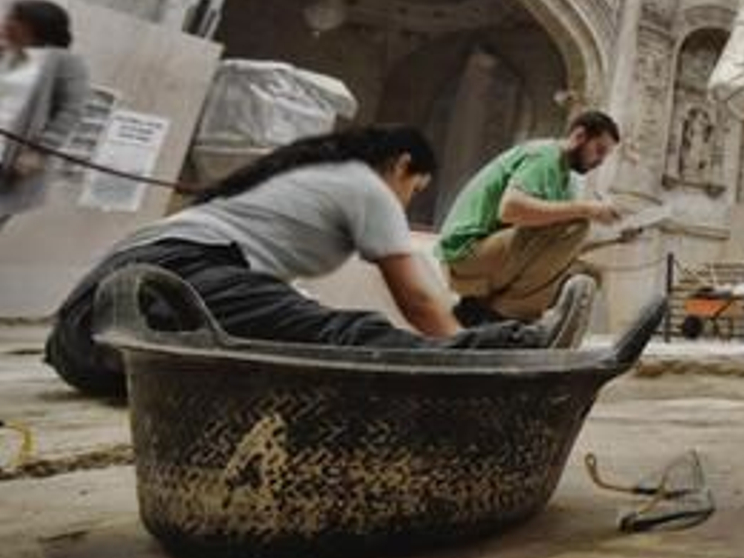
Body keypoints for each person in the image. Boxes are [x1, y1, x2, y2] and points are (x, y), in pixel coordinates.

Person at [45, 126, 565, 399]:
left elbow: (262, 299)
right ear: (401, 165)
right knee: (344, 332)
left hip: (85, 347)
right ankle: (502, 348)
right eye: (414, 188)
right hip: (154, 289)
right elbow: (419, 300)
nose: (405, 201)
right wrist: (468, 351)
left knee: (291, 337)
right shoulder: (362, 182)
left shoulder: (272, 188)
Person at [437, 111, 625, 342]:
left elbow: (556, 246)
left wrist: (617, 238)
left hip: (486, 257)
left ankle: (478, 312)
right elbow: (511, 209)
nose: (600, 161)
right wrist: (586, 208)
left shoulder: (564, 178)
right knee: (577, 224)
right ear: (579, 136)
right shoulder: (545, 156)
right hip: (466, 254)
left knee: (583, 267)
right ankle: (505, 319)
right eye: (599, 150)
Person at [1, 0, 89, 231]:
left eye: (15, 19)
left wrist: (39, 152)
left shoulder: (65, 62)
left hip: (11, 162)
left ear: (37, 25)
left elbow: (70, 110)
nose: (6, 22)